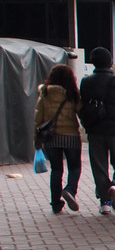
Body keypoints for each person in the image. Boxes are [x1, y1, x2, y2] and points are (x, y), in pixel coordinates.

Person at [78, 47, 115, 214]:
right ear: (110, 62)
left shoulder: (86, 82)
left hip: (95, 130)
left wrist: (86, 124)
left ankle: (105, 203)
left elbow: (81, 106)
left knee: (99, 167)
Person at [33, 60, 83, 214]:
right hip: (71, 136)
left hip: (51, 137)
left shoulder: (45, 93)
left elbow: (38, 117)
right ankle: (70, 190)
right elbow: (81, 112)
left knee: (56, 170)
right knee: (75, 167)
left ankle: (55, 203)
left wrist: (36, 139)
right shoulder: (72, 93)